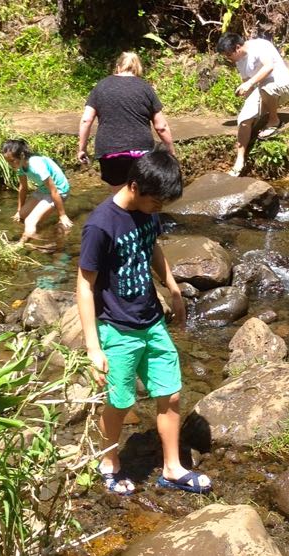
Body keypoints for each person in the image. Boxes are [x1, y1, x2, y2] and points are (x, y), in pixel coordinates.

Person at [76, 149, 211, 496]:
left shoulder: (148, 213)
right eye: (156, 202)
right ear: (134, 186)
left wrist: (172, 286)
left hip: (151, 322)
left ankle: (172, 468)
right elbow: (84, 284)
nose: (159, 209)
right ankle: (109, 460)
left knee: (171, 392)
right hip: (117, 327)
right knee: (120, 401)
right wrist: (93, 346)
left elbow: (153, 248)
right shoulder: (100, 225)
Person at [77, 52, 175, 194]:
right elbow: (161, 127)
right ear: (137, 69)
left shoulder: (101, 86)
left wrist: (82, 148)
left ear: (117, 67)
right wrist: (171, 151)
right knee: (142, 194)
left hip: (110, 151)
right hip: (140, 150)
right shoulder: (145, 88)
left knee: (119, 195)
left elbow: (86, 120)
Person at [216, 32, 289, 176]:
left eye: (228, 55)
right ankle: (239, 160)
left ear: (238, 48)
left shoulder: (259, 46)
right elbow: (247, 84)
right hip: (262, 90)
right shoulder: (239, 61)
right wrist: (249, 106)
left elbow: (268, 67)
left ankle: (273, 120)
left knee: (266, 87)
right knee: (244, 120)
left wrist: (250, 83)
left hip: (282, 86)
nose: (228, 59)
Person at [1, 139, 73, 244]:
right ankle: (37, 235)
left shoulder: (36, 165)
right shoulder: (20, 165)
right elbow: (23, 188)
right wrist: (19, 210)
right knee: (20, 217)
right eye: (8, 162)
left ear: (21, 155)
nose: (10, 164)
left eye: (12, 161)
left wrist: (62, 215)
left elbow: (54, 190)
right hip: (43, 189)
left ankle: (22, 244)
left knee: (29, 221)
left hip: (59, 190)